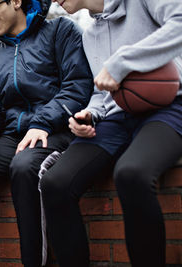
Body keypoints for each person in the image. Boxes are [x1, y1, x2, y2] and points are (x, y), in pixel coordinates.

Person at [0, 0, 93, 266]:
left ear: (16, 1)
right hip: (13, 136)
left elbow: (77, 87)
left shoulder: (61, 31)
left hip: (57, 129)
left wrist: (43, 122)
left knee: (24, 166)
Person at [40, 0, 182, 266]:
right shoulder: (90, 34)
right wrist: (90, 114)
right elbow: (102, 93)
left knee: (131, 174)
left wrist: (122, 62)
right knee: (55, 183)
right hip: (116, 118)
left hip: (170, 106)